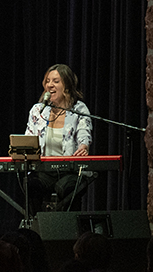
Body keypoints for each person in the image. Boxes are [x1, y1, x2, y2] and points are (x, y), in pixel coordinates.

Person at [25, 64, 93, 212]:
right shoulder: (38, 110)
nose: (50, 85)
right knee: (32, 185)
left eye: (56, 81)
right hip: (43, 170)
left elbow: (84, 134)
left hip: (69, 171)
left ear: (67, 86)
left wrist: (84, 146)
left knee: (71, 188)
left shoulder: (79, 109)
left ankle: (70, 231)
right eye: (47, 81)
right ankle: (36, 228)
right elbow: (28, 139)